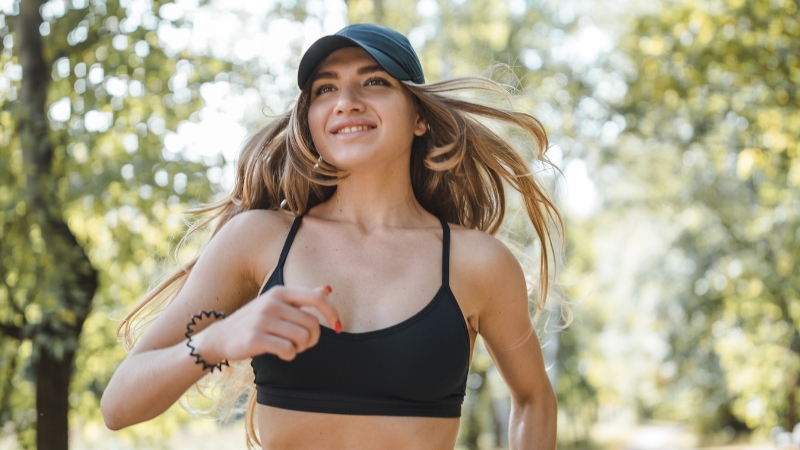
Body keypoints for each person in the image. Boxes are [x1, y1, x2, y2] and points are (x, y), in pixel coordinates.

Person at [101, 23, 563, 450]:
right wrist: (220, 338)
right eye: (326, 88)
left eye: (375, 81)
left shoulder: (477, 262)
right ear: (310, 121)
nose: (347, 101)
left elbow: (533, 398)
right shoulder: (258, 240)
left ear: (419, 116)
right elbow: (119, 404)